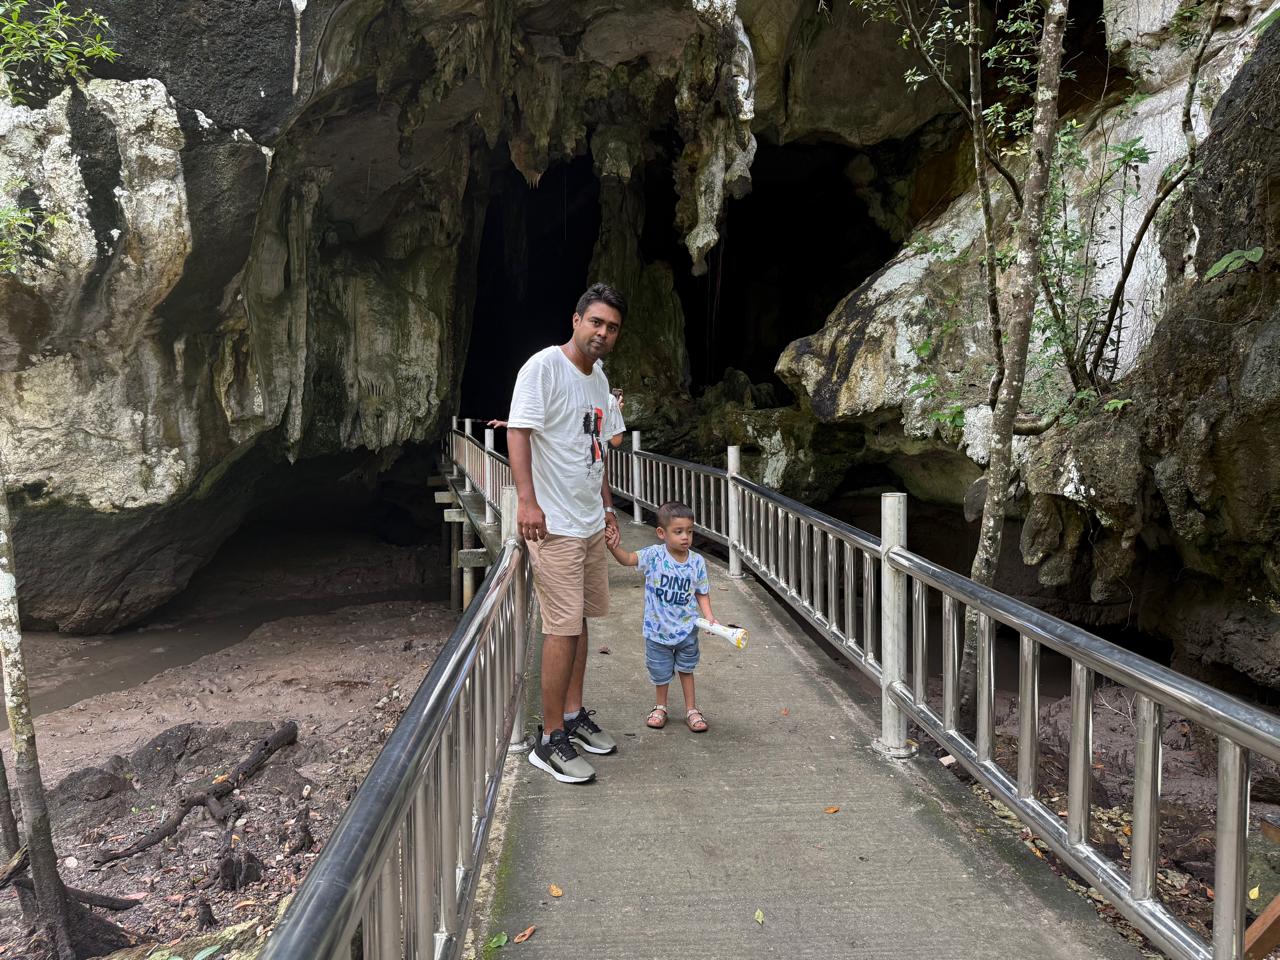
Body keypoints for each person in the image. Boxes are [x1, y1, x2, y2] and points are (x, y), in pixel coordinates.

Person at [507, 282, 626, 784]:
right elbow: (518, 432)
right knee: (562, 627)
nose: (602, 333)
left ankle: (574, 716)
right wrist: (527, 502)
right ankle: (550, 737)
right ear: (576, 320)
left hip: (589, 521)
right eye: (595, 322)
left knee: (581, 621)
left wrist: (607, 506)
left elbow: (599, 447)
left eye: (612, 327)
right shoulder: (543, 368)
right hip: (554, 524)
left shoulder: (598, 379)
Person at [604, 501, 717, 733]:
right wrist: (613, 547)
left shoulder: (696, 562)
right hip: (657, 630)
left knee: (686, 669)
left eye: (689, 531)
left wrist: (709, 617)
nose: (685, 537)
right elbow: (628, 559)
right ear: (661, 533)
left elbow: (701, 592)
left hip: (687, 630)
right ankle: (660, 707)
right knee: (660, 672)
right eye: (678, 532)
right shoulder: (654, 555)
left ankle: (691, 710)